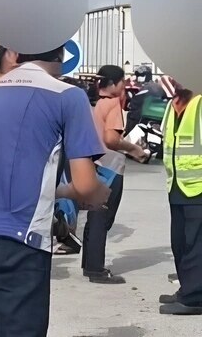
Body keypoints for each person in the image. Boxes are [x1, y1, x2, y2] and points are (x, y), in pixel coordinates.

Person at [0, 43, 109, 337]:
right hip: (22, 239)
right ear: (62, 56)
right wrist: (95, 195)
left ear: (14, 55)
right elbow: (84, 184)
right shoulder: (69, 96)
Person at [81, 65, 153, 284]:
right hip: (110, 167)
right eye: (122, 82)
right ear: (113, 84)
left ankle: (89, 264)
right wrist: (135, 149)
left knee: (95, 217)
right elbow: (112, 139)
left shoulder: (94, 103)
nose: (124, 87)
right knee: (103, 218)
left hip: (93, 164)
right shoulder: (112, 104)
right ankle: (96, 269)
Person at [160, 81, 202, 316]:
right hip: (176, 185)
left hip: (198, 187)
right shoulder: (172, 104)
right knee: (180, 243)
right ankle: (188, 288)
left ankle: (195, 297)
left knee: (196, 244)